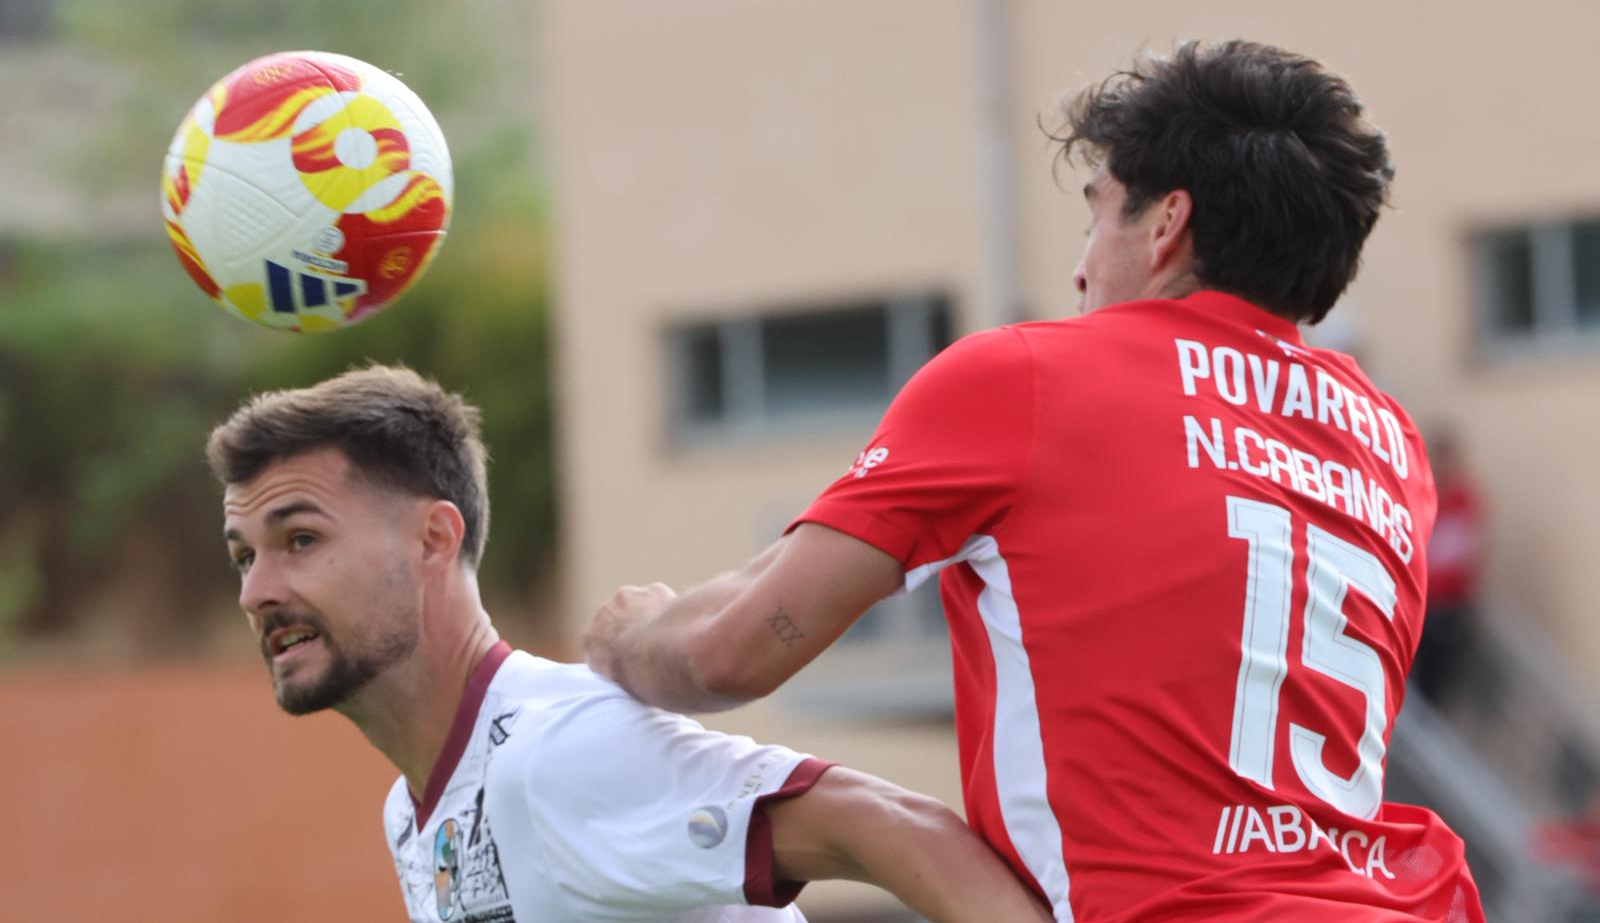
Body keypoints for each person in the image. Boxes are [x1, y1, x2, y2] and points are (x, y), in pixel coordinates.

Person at [584, 41, 1486, 921]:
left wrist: (631, 642)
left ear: (1167, 224)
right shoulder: (1389, 442)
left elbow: (732, 654)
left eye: (1097, 214)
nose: (1082, 264)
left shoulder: (1030, 378)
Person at [208, 364, 1050, 923]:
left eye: (301, 540)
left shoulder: (558, 753)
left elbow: (886, 823)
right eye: (245, 555)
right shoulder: (414, 810)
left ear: (433, 540)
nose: (258, 591)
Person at [1410, 430, 1486, 707]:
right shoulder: (1420, 495)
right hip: (1419, 606)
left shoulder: (1462, 501)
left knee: (1435, 689)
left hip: (1445, 610)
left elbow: (1454, 562)